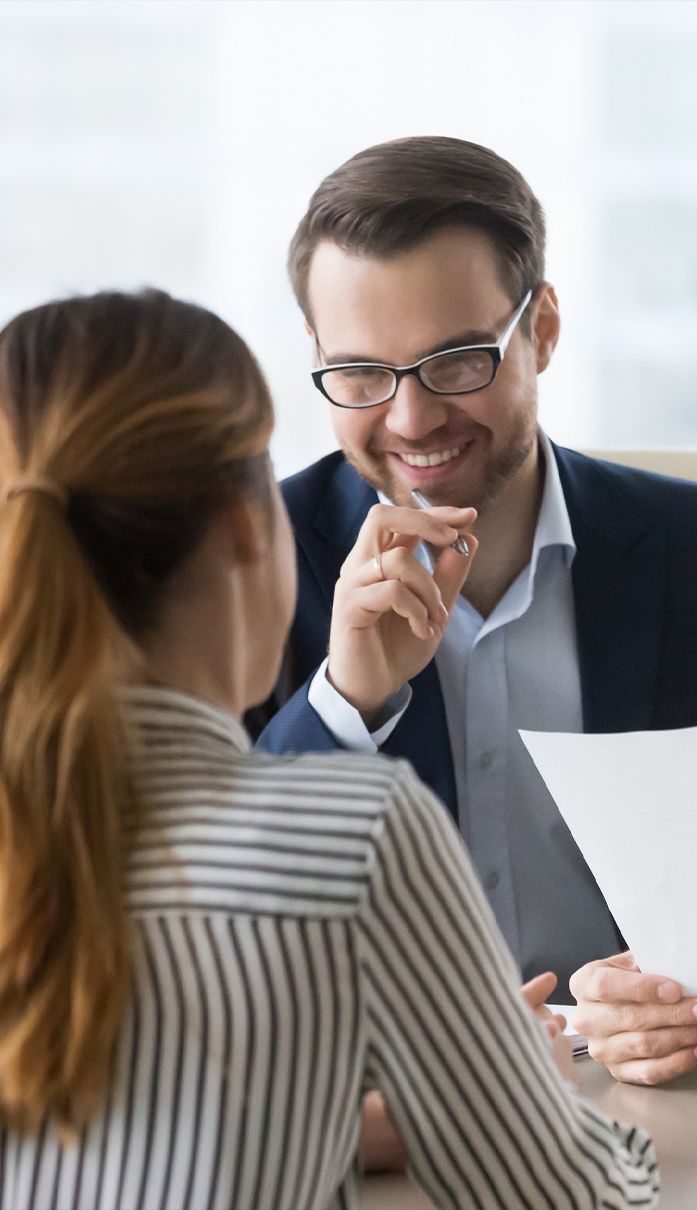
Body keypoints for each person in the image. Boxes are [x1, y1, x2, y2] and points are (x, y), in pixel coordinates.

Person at [0, 288, 658, 1208]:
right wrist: (512, 1087)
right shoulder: (359, 838)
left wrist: (346, 1126)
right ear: (244, 522)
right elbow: (571, 1195)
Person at [256, 135, 697, 1087]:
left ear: (540, 328)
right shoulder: (250, 561)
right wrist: (343, 703)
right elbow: (194, 908)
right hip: (363, 1121)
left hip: (660, 1110)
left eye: (455, 361)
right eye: (362, 374)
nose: (411, 420)